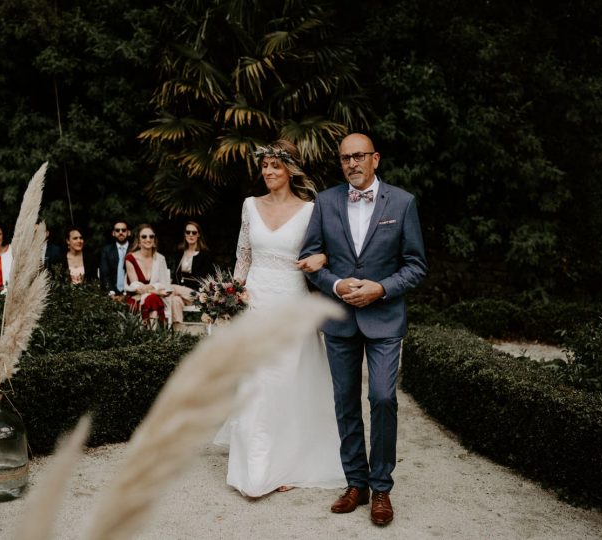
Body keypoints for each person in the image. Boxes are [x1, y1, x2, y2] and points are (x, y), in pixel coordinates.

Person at [299, 133, 428, 526]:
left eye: (358, 156)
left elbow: (416, 265)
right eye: (344, 159)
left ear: (376, 159)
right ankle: (356, 483)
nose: (351, 164)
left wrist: (381, 288)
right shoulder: (325, 201)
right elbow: (309, 257)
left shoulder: (402, 203)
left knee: (384, 397)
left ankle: (382, 487)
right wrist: (336, 285)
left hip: (385, 318)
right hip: (339, 319)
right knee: (345, 401)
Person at [213, 139, 344, 497]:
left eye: (275, 166)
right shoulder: (249, 206)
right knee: (255, 383)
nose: (268, 172)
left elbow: (327, 253)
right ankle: (252, 470)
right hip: (255, 303)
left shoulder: (310, 210)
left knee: (285, 385)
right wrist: (230, 299)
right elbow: (243, 256)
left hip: (291, 302)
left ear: (290, 169)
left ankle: (287, 463)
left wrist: (324, 261)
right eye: (265, 166)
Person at [168, 221, 215, 330]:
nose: (191, 235)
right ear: (184, 234)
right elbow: (176, 275)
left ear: (198, 235)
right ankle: (178, 331)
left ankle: (167, 294)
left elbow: (208, 278)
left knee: (171, 289)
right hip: (180, 294)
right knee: (175, 300)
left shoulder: (205, 255)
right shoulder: (180, 252)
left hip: (198, 295)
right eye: (188, 232)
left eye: (194, 232)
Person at [124, 224, 171, 327]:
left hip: (157, 299)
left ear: (154, 239)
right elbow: (136, 287)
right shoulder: (130, 258)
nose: (148, 239)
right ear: (138, 240)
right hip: (136, 298)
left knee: (152, 299)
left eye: (151, 236)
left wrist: (153, 290)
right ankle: (154, 333)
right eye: (144, 236)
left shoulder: (160, 259)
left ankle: (150, 334)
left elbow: (164, 284)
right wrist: (154, 290)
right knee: (152, 298)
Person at [98, 221, 130, 297]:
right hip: (112, 294)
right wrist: (111, 293)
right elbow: (105, 274)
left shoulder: (135, 250)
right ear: (113, 233)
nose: (121, 232)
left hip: (131, 293)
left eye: (124, 230)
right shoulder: (106, 250)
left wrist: (127, 294)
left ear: (129, 232)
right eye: (117, 230)